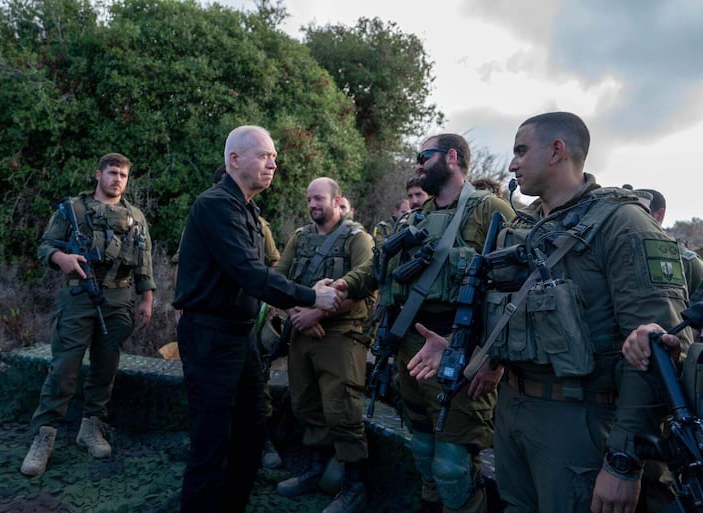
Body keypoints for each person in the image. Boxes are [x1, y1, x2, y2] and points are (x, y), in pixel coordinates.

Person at [406, 112, 690, 513]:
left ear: (557, 151)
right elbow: (514, 318)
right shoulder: (524, 227)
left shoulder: (623, 224)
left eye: (521, 151)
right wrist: (459, 346)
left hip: (581, 423)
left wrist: (624, 460)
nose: (511, 163)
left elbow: (659, 352)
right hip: (515, 413)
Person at [172, 125, 345, 513]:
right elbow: (250, 274)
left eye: (274, 157)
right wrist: (310, 296)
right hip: (211, 338)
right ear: (234, 160)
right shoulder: (215, 205)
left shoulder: (247, 210)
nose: (274, 163)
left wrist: (302, 293)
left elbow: (267, 270)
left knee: (251, 434)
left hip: (239, 337)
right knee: (211, 444)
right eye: (265, 156)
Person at [375, 134, 514, 513]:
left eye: (424, 156)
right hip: (410, 348)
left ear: (451, 157)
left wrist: (492, 358)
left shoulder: (491, 209)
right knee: (423, 450)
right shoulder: (417, 217)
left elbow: (516, 294)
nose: (418, 165)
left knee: (452, 466)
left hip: (460, 353)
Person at [21, 152, 156, 477]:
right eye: (112, 173)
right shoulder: (74, 209)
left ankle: (91, 426)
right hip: (79, 295)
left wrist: (147, 297)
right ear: (99, 175)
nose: (117, 180)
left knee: (105, 366)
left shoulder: (135, 216)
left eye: (123, 175)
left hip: (120, 298)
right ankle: (44, 435)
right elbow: (44, 246)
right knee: (64, 366)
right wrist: (61, 258)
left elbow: (144, 258)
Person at [274, 177, 376, 513]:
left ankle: (353, 487)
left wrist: (317, 314)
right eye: (309, 200)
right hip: (303, 334)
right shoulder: (300, 238)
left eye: (319, 198)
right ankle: (315, 469)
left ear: (337, 200)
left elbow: (367, 285)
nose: (313, 205)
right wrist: (297, 314)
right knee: (305, 405)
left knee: (342, 409)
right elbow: (279, 279)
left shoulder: (357, 239)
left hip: (340, 336)